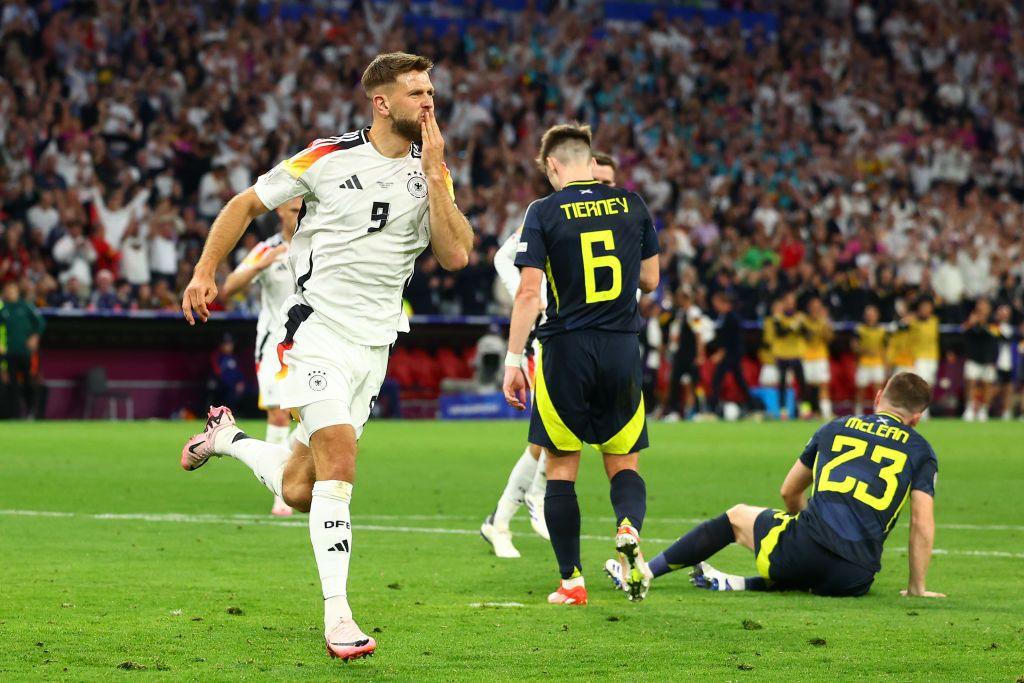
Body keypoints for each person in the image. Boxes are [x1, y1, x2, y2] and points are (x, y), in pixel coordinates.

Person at [178, 52, 473, 661]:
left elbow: (456, 255)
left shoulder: (432, 168)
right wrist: (206, 271)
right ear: (382, 102)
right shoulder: (326, 156)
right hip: (314, 332)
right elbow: (244, 204)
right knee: (339, 457)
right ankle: (338, 616)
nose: (430, 102)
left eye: (432, 91)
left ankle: (227, 440)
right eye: (417, 92)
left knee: (301, 486)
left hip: (375, 344)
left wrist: (439, 176)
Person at [607, 373, 943, 599]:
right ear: (917, 418)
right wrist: (916, 588)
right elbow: (922, 524)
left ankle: (643, 573)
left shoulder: (835, 427)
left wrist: (808, 530)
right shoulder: (921, 449)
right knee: (811, 560)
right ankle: (737, 583)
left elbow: (788, 491)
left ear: (879, 397)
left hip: (803, 550)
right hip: (853, 578)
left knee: (737, 516)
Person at [502, 124, 660, 605]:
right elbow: (650, 280)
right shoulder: (632, 204)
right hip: (620, 347)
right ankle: (628, 526)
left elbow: (530, 292)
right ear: (591, 162)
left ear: (552, 165)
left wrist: (513, 359)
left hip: (566, 349)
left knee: (562, 466)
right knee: (623, 461)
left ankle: (572, 581)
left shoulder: (544, 212)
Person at [480, 151, 617, 558]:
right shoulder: (551, 213)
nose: (605, 187)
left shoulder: (617, 219)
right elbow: (504, 257)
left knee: (552, 438)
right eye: (600, 179)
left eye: (610, 182)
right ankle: (510, 515)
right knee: (549, 436)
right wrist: (531, 298)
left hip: (592, 340)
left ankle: (503, 518)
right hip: (555, 339)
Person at [220, 196, 303, 516]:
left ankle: (292, 475)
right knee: (279, 415)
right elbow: (230, 286)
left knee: (310, 418)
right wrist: (262, 265)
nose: (299, 216)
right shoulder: (267, 249)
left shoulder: (319, 243)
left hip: (311, 344)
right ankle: (282, 492)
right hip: (273, 345)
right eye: (294, 210)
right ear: (280, 211)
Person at [0, 281, 45, 418]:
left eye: (12, 289)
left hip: (25, 352)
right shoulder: (3, 309)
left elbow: (40, 322)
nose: (10, 292)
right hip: (9, 352)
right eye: (7, 290)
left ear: (17, 291)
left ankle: (31, 411)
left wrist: (35, 337)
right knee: (11, 384)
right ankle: (14, 414)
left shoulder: (25, 306)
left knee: (29, 382)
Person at [660, 287, 705, 421]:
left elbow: (698, 334)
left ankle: (698, 411)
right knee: (675, 382)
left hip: (691, 354)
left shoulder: (694, 312)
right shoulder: (680, 313)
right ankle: (675, 411)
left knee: (695, 383)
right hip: (680, 353)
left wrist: (699, 354)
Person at [708, 291, 751, 415]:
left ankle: (713, 406)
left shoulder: (732, 318)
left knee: (720, 380)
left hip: (731, 355)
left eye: (716, 303)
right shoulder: (724, 316)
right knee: (734, 380)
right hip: (730, 355)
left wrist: (721, 352)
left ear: (724, 303)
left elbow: (730, 339)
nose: (715, 306)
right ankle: (750, 404)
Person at [770, 292, 806, 419]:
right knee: (782, 384)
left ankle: (802, 409)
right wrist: (794, 325)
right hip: (783, 355)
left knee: (802, 383)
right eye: (788, 303)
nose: (790, 305)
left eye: (792, 303)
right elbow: (781, 333)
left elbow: (806, 333)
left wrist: (798, 325)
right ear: (784, 303)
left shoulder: (801, 317)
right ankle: (783, 410)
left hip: (796, 354)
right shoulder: (778, 318)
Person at [961, 299, 997, 422]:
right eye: (979, 306)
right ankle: (969, 409)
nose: (981, 308)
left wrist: (983, 325)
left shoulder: (993, 321)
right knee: (971, 382)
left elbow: (995, 336)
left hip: (988, 358)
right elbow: (963, 333)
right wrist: (971, 324)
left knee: (987, 384)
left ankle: (984, 410)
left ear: (988, 308)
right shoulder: (971, 319)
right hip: (973, 356)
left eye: (984, 306)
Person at [802, 297, 834, 419]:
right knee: (806, 387)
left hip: (820, 356)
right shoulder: (803, 322)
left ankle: (826, 412)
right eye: (813, 307)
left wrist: (827, 325)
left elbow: (829, 338)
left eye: (817, 307)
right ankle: (805, 412)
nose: (815, 310)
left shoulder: (824, 322)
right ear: (809, 308)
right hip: (806, 356)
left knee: (823, 385)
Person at [853, 305, 887, 415]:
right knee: (860, 390)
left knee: (878, 391)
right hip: (864, 363)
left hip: (877, 363)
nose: (871, 317)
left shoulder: (882, 330)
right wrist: (864, 350)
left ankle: (877, 413)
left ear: (877, 316)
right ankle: (858, 413)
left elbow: (885, 349)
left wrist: (886, 364)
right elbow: (854, 346)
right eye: (868, 315)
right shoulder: (860, 329)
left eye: (873, 315)